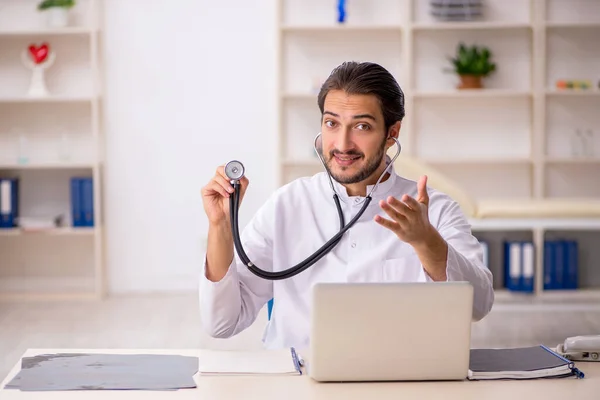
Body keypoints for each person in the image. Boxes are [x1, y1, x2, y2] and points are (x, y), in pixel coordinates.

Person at [199, 61, 494, 349]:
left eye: (362, 126)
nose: (343, 144)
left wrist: (428, 242)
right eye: (332, 123)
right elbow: (222, 323)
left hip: (400, 383)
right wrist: (220, 228)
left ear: (392, 133)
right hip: (297, 384)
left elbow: (478, 305)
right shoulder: (287, 205)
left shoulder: (435, 210)